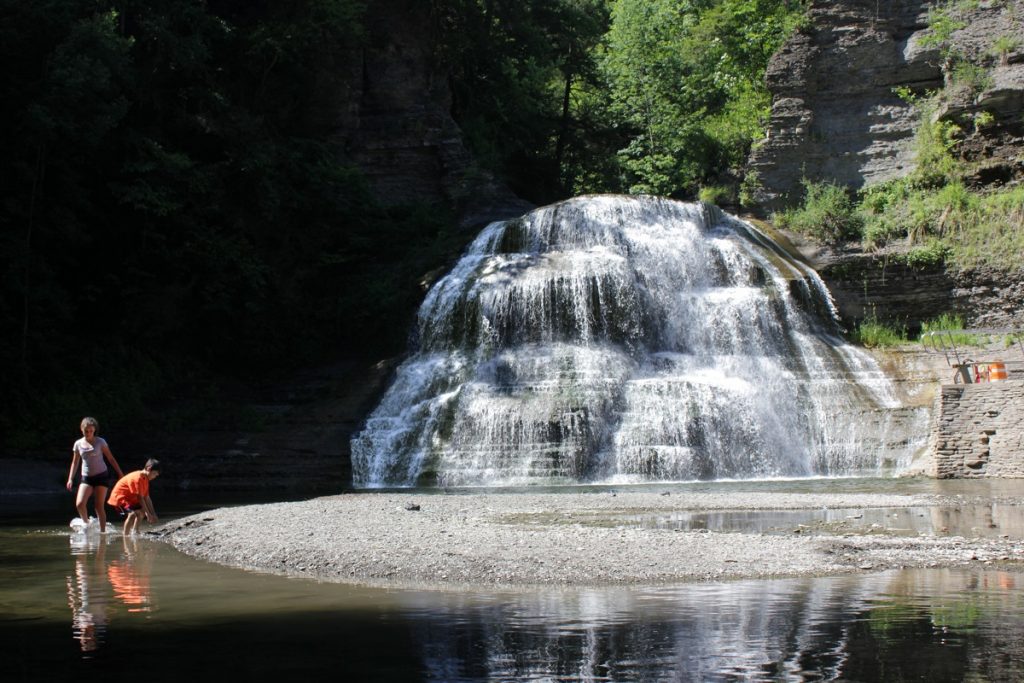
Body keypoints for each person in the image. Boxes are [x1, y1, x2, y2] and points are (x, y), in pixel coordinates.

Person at [66, 417, 125, 533]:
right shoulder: (78, 444)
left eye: (91, 431)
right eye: (86, 431)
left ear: (94, 430)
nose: (89, 433)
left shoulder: (100, 442)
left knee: (98, 506)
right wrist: (70, 479)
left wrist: (120, 474)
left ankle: (102, 533)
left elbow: (111, 459)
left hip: (101, 476)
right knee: (79, 504)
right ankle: (86, 524)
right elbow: (75, 462)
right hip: (87, 478)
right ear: (81, 430)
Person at [107, 459, 161, 535]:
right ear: (149, 469)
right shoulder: (137, 478)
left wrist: (153, 513)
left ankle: (135, 532)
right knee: (133, 514)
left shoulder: (145, 479)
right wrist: (148, 514)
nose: (155, 477)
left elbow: (147, 497)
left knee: (141, 511)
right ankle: (125, 536)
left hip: (130, 500)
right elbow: (140, 498)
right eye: (154, 474)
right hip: (119, 500)